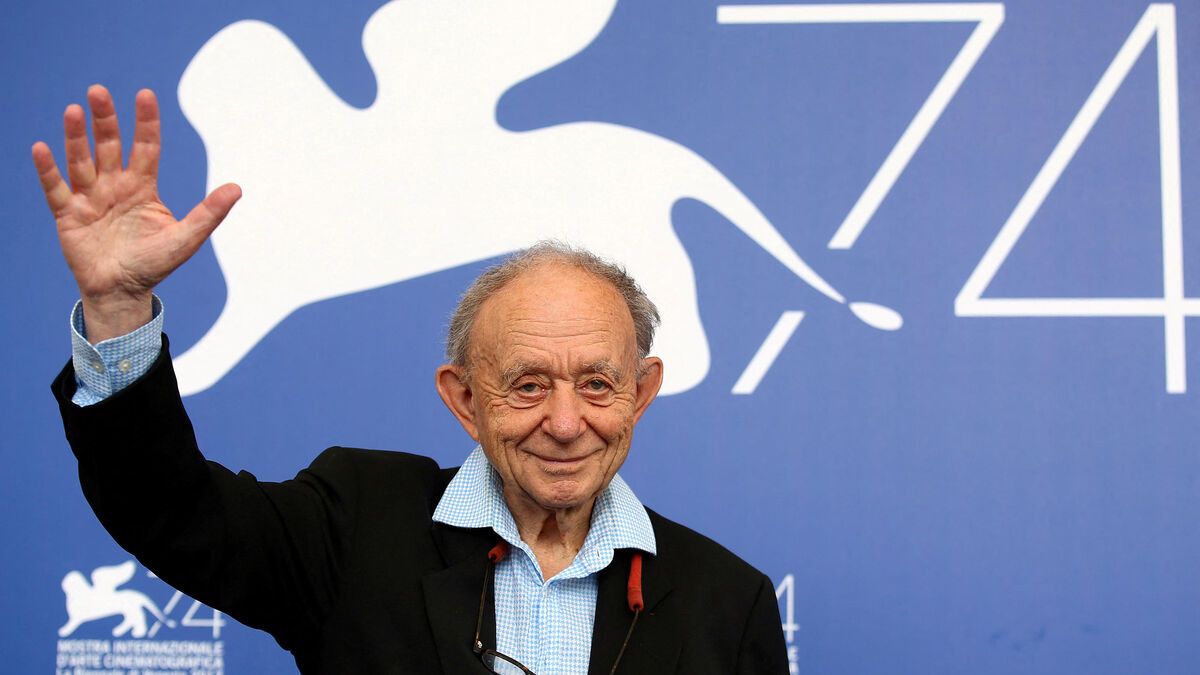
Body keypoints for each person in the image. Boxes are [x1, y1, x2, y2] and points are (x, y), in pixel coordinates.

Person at [39, 85, 788, 674]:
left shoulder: (730, 603)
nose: (565, 423)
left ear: (641, 393)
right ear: (464, 398)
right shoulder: (355, 527)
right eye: (528, 385)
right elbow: (167, 508)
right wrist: (118, 308)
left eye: (596, 384)